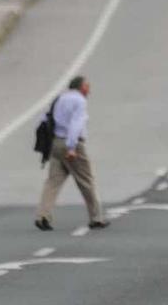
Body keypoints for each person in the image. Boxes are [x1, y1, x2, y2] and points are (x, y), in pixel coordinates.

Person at [35, 76, 109, 231]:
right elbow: (76, 123)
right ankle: (96, 218)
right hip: (72, 144)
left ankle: (42, 215)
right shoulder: (80, 101)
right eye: (87, 86)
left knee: (53, 182)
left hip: (56, 143)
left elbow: (45, 118)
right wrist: (71, 147)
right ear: (81, 87)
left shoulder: (59, 98)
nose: (89, 89)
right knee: (86, 181)